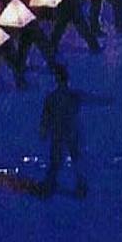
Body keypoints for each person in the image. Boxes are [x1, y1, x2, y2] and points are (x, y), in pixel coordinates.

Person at [39, 65, 87, 197]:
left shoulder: (51, 98)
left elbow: (46, 117)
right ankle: (81, 184)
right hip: (71, 130)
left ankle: (51, 183)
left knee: (56, 159)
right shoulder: (73, 96)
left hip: (58, 131)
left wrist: (44, 131)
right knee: (75, 158)